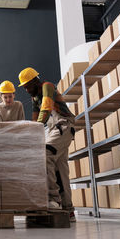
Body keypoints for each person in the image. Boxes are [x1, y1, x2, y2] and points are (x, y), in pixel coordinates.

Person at [18, 67, 76, 222]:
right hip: (54, 130)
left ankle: (54, 199)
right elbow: (35, 118)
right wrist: (29, 133)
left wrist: (36, 128)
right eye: (23, 87)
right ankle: (68, 210)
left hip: (63, 125)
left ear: (35, 81)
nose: (25, 89)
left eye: (27, 86)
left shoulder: (47, 87)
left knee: (45, 154)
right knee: (61, 169)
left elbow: (46, 108)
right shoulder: (35, 97)